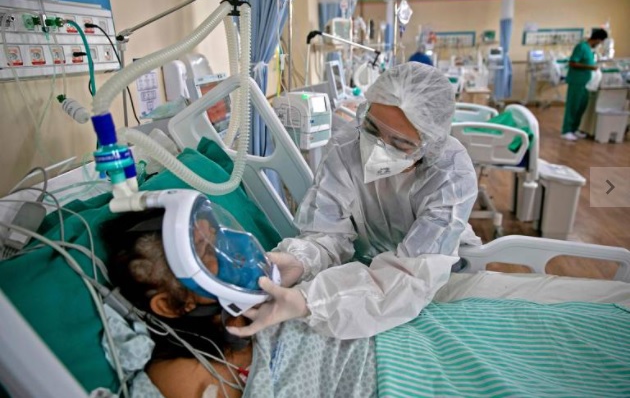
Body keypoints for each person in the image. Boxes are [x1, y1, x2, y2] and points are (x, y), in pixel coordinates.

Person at [228, 62, 480, 340]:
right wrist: (298, 260)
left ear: (429, 143)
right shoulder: (346, 147)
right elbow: (326, 233)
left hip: (436, 281)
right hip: (362, 276)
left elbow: (414, 274)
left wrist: (311, 302)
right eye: (371, 128)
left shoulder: (451, 175)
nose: (377, 148)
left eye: (400, 143)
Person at [101, 209, 377, 398]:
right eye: (207, 252)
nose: (232, 250)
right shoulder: (182, 374)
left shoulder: (280, 297)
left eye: (218, 235)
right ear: (171, 305)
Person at [561, 28, 608, 141]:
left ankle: (574, 129)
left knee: (581, 107)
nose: (600, 44)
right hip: (577, 82)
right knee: (573, 106)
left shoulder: (590, 50)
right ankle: (566, 131)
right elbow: (573, 63)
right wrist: (590, 67)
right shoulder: (581, 47)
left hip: (586, 83)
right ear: (598, 39)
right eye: (601, 41)